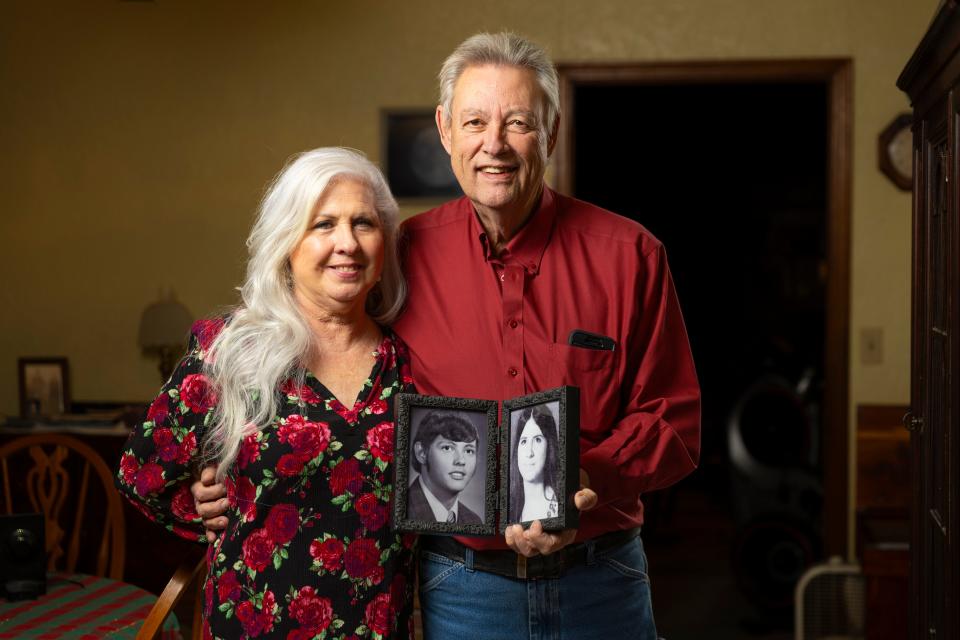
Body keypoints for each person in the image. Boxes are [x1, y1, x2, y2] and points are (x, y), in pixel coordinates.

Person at [195, 31, 700, 640]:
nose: (494, 145)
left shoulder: (630, 256)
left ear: (551, 131)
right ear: (445, 130)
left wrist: (582, 477)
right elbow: (318, 344)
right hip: (461, 591)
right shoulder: (399, 256)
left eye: (517, 123)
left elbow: (674, 421)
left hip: (602, 582)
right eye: (475, 122)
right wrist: (230, 470)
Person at [115, 148, 418, 639]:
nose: (347, 243)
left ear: (385, 245)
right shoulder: (231, 351)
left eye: (364, 223)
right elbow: (138, 473)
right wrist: (204, 511)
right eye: (323, 224)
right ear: (287, 242)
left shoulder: (408, 363)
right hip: (251, 626)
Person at [407, 410, 482, 524]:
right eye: (447, 448)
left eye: (468, 450)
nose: (461, 461)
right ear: (421, 453)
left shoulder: (474, 521)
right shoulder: (404, 511)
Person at [509, 405, 560, 523]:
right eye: (524, 441)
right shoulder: (513, 507)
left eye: (537, 440)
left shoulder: (556, 507)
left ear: (549, 447)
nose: (529, 452)